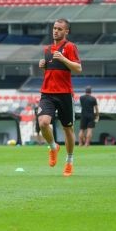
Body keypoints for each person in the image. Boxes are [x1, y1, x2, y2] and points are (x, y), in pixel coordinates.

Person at [38, 18, 82, 177]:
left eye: (59, 29)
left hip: (64, 94)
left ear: (66, 32)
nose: (55, 31)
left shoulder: (70, 47)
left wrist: (63, 58)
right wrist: (43, 66)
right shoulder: (47, 49)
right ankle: (53, 146)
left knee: (67, 129)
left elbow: (78, 68)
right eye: (54, 28)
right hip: (47, 92)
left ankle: (69, 161)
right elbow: (51, 71)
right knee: (43, 123)